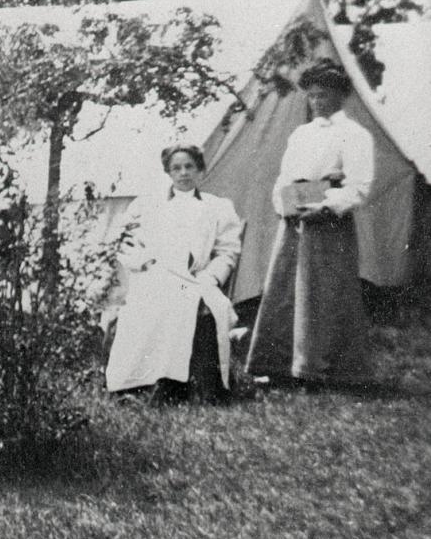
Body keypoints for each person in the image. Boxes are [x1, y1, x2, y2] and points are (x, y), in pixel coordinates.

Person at [246, 61, 375, 386]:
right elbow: (284, 177)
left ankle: (320, 369)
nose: (316, 102)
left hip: (329, 224)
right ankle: (279, 365)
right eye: (312, 96)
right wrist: (284, 204)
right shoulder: (301, 134)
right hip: (295, 221)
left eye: (323, 95)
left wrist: (325, 206)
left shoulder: (355, 135)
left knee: (323, 295)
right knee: (286, 290)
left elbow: (359, 186)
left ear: (339, 96)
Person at [105, 144, 245, 403]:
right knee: (143, 306)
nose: (183, 173)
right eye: (176, 168)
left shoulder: (218, 207)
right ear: (168, 173)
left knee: (182, 302)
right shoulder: (149, 204)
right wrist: (143, 263)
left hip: (196, 279)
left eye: (189, 166)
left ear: (200, 170)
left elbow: (227, 251)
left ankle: (172, 384)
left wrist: (212, 277)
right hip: (158, 275)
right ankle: (134, 383)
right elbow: (125, 241)